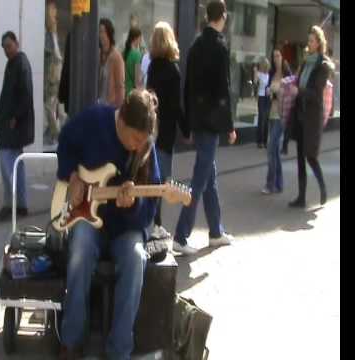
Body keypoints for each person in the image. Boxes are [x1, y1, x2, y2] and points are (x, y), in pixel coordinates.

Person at [56, 89, 161, 360]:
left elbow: (149, 212)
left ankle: (119, 350)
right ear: (121, 122)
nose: (138, 145)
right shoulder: (95, 119)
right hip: (85, 217)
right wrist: (72, 176)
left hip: (123, 229)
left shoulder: (146, 150)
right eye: (135, 138)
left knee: (136, 258)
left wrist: (133, 205)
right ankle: (71, 340)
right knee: (79, 249)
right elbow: (65, 140)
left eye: (143, 140)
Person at [172, 0, 237, 255]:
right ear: (223, 16)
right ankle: (180, 235)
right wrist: (229, 126)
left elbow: (187, 88)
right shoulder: (220, 46)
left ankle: (216, 232)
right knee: (201, 178)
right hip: (211, 123)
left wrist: (187, 125)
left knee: (209, 177)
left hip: (198, 121)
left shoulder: (196, 45)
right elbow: (224, 91)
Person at [146, 21, 190, 239]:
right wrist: (186, 129)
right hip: (165, 132)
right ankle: (155, 224)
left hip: (150, 127)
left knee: (152, 177)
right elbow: (175, 105)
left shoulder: (153, 67)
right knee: (161, 180)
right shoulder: (173, 70)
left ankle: (152, 222)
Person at [288, 26, 334, 208]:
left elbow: (316, 94)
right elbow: (299, 84)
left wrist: (298, 90)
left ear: (319, 43)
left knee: (311, 156)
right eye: (308, 41)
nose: (309, 44)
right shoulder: (306, 62)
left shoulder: (322, 65)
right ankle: (301, 197)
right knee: (300, 156)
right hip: (300, 114)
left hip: (312, 117)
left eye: (312, 41)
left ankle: (323, 188)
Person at [0, 31, 34, 220]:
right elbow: (6, 95)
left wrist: (15, 117)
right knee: (15, 164)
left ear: (16, 43)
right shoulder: (13, 64)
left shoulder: (20, 64)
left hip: (14, 124)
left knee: (7, 164)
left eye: (8, 46)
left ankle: (12, 204)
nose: (6, 50)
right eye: (4, 48)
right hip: (10, 123)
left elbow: (25, 95)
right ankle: (19, 204)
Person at [261, 48, 292, 195]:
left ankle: (270, 183)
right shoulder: (272, 73)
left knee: (270, 148)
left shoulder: (287, 74)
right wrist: (269, 90)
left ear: (282, 57)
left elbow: (291, 93)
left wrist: (279, 92)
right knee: (275, 152)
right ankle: (279, 184)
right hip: (272, 114)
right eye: (273, 56)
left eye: (278, 55)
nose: (276, 58)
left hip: (282, 116)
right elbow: (269, 89)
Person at [44, 0, 63, 146]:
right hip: (52, 76)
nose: (55, 14)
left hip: (55, 75)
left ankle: (55, 134)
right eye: (53, 11)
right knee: (51, 107)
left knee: (54, 107)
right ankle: (54, 133)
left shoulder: (53, 33)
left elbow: (55, 56)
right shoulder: (48, 35)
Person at [98, 18, 125, 108]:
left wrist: (118, 109)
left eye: (103, 32)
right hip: (98, 105)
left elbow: (120, 86)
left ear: (109, 33)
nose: (101, 35)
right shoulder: (98, 55)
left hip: (110, 107)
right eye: (99, 32)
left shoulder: (116, 57)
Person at [253, 57, 270, 148]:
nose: (266, 66)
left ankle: (265, 141)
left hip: (268, 98)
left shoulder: (269, 75)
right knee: (261, 119)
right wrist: (255, 72)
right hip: (261, 97)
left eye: (267, 65)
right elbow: (255, 82)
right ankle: (259, 141)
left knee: (267, 119)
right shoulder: (259, 74)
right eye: (265, 65)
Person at [123, 26, 143, 97]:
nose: (141, 41)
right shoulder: (137, 54)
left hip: (124, 93)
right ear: (136, 38)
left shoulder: (124, 52)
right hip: (132, 95)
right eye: (140, 38)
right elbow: (138, 81)